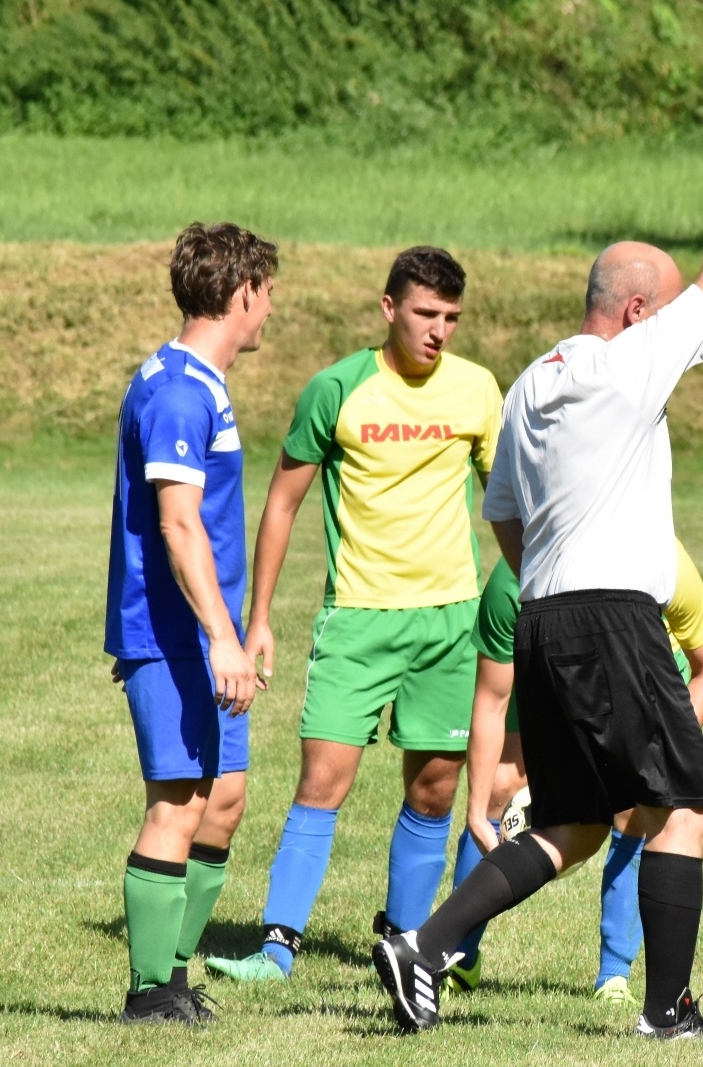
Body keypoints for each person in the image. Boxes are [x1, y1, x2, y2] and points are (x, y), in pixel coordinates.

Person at [372, 105, 703, 1038]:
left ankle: (425, 946)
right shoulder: (627, 363)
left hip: (544, 618)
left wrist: (550, 596)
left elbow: (505, 516)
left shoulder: (530, 383)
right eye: (668, 306)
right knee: (681, 804)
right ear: (639, 310)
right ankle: (668, 1008)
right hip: (613, 615)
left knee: (572, 824)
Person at [206, 247, 502, 982]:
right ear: (389, 308)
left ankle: (410, 946)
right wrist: (261, 615)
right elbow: (281, 502)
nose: (439, 330)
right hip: (358, 619)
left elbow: (507, 506)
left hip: (451, 622)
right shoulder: (337, 388)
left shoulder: (477, 389)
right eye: (426, 314)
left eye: (452, 318)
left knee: (435, 787)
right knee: (323, 779)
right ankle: (277, 950)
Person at [105, 222, 277, 1023]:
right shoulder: (178, 390)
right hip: (176, 637)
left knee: (225, 796)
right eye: (267, 293)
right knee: (176, 802)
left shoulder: (197, 380)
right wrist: (219, 635)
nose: (269, 310)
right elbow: (178, 526)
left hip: (206, 634)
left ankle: (175, 972)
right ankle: (150, 992)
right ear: (242, 292)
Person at [449, 539, 703, 1003]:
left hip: (640, 663)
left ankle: (613, 974)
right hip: (548, 654)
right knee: (499, 788)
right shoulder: (511, 582)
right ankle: (458, 955)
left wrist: (654, 760)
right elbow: (492, 700)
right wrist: (477, 808)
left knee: (638, 809)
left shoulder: (663, 557)